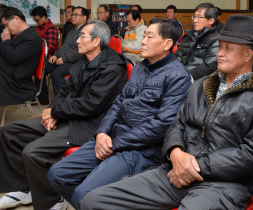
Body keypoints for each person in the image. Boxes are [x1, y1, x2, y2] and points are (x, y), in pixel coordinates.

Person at [80, 15, 253, 210]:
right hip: (174, 168)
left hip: (223, 183)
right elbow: (177, 124)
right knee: (94, 201)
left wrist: (193, 165)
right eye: (219, 46)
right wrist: (175, 153)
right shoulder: (203, 84)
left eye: (228, 48)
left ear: (248, 54)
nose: (219, 53)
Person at [48, 19, 192, 210]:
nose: (143, 41)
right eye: (144, 35)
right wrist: (102, 133)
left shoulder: (178, 76)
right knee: (57, 174)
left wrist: (116, 144)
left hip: (141, 149)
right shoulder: (141, 67)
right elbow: (118, 103)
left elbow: (162, 125)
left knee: (85, 194)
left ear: (167, 44)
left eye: (149, 37)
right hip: (113, 137)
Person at [0, 20, 127, 210]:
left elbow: (91, 105)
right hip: (69, 114)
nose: (77, 41)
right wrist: (52, 112)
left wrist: (56, 111)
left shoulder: (113, 68)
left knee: (33, 152)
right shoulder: (86, 60)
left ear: (96, 41)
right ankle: (23, 189)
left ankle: (52, 200)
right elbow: (65, 91)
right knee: (9, 132)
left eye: (82, 36)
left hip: (88, 124)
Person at [37, 6, 89, 104]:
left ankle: (60, 102)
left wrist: (64, 59)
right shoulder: (72, 31)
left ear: (84, 17)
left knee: (56, 74)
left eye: (76, 15)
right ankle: (42, 97)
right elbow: (64, 47)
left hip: (76, 61)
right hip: (62, 58)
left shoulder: (87, 31)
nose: (72, 16)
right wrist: (55, 55)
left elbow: (82, 52)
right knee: (41, 69)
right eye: (72, 14)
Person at [0, 7, 41, 107]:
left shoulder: (32, 38)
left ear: (16, 19)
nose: (6, 28)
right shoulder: (18, 34)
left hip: (16, 82)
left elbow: (13, 57)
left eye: (6, 24)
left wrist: (6, 41)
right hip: (7, 73)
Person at [175, 2, 219, 80]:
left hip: (200, 84)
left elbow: (210, 67)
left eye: (199, 17)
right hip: (180, 79)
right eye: (194, 17)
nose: (195, 20)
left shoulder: (215, 40)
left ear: (211, 20)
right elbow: (176, 60)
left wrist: (186, 76)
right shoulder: (187, 39)